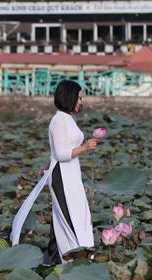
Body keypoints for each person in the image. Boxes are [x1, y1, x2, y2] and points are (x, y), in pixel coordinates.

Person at [10, 79, 98, 266]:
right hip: (62, 175)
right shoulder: (58, 121)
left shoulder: (67, 119)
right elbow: (62, 154)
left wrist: (47, 163)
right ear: (70, 98)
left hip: (71, 174)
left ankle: (53, 258)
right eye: (79, 97)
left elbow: (57, 151)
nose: (81, 102)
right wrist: (85, 147)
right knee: (69, 215)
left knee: (67, 215)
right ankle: (75, 255)